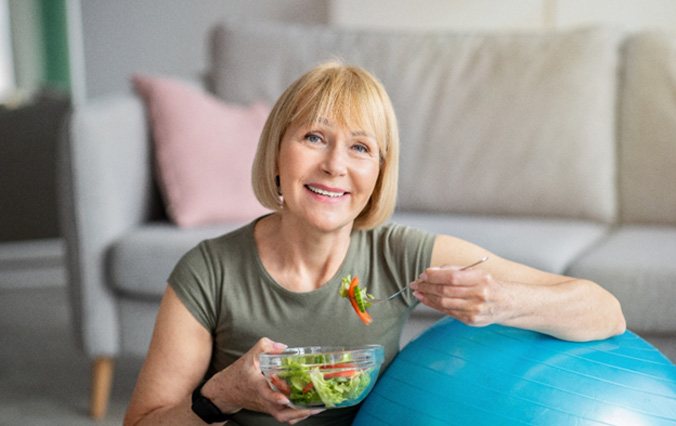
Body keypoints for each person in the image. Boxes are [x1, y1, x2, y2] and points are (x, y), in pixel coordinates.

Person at [124, 61, 626, 426]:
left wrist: (502, 301)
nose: (335, 165)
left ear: (379, 174)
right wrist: (224, 395)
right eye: (314, 138)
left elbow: (603, 311)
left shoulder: (399, 254)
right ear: (277, 152)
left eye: (360, 147)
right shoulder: (208, 270)